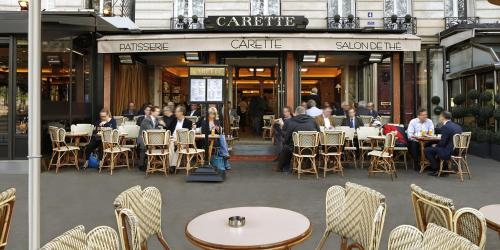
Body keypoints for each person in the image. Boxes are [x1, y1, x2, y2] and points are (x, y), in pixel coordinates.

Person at [277, 106, 320, 172]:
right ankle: (308, 165)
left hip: (296, 149)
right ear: (305, 112)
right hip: (312, 149)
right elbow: (318, 133)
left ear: (296, 113)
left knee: (286, 146)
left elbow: (286, 137)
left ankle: (280, 168)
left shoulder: (290, 121)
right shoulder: (313, 121)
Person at [424, 111, 462, 176]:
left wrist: (436, 145)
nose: (439, 118)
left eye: (440, 117)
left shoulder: (445, 127)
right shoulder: (458, 126)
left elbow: (442, 143)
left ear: (443, 117)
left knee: (427, 150)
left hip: (449, 152)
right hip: (458, 151)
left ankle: (436, 169)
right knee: (437, 149)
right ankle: (444, 168)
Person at [137, 106, 165, 170]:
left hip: (151, 137)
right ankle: (141, 165)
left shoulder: (157, 119)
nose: (158, 113)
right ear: (152, 112)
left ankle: (156, 162)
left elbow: (160, 127)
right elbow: (151, 130)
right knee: (144, 145)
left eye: (159, 111)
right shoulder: (146, 119)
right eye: (157, 111)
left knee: (163, 143)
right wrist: (159, 128)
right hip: (143, 137)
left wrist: (163, 124)